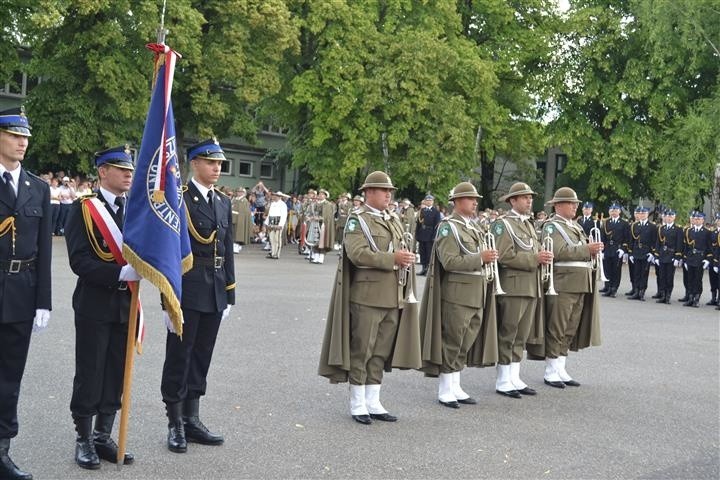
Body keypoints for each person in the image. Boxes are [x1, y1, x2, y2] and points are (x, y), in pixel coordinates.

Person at [318, 171, 420, 425]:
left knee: (380, 352)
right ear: (369, 193)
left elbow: (402, 246)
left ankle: (373, 400)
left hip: (392, 294)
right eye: (384, 191)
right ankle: (357, 402)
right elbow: (357, 254)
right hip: (367, 295)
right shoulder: (358, 220)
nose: (389, 195)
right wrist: (392, 259)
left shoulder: (394, 219)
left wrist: (404, 258)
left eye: (390, 191)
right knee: (362, 349)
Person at [64, 146, 139, 469]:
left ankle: (103, 435)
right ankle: (84, 438)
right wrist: (119, 272)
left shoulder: (134, 210)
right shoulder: (83, 209)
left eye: (130, 169)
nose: (127, 174)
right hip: (95, 303)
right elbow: (79, 260)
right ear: (102, 172)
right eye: (119, 168)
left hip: (127, 304)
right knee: (91, 371)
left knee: (116, 371)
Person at [161, 138, 235, 453]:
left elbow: (227, 249)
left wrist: (230, 291)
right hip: (187, 288)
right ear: (194, 163)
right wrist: (167, 299)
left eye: (219, 163)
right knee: (180, 355)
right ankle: (175, 422)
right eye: (210, 162)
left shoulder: (223, 201)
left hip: (215, 287)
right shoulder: (178, 199)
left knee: (201, 355)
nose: (217, 168)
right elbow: (167, 253)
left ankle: (192, 418)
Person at [0, 107, 52, 480]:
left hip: (21, 293)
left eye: (26, 137)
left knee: (9, 379)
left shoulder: (38, 187)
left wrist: (43, 301)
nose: (22, 142)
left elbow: (44, 251)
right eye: (15, 135)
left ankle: (2, 451)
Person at [418, 182, 498, 408]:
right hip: (457, 293)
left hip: (476, 290)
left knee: (466, 341)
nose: (475, 202)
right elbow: (449, 261)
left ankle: (455, 384)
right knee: (452, 340)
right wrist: (480, 258)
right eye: (471, 198)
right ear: (457, 201)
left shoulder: (473, 227)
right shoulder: (448, 227)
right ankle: (445, 388)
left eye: (476, 199)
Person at [537, 187, 602, 389]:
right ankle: (550, 370)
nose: (575, 206)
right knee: (557, 326)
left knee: (570, 327)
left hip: (580, 282)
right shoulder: (552, 227)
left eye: (576, 203)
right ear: (558, 205)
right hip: (563, 283)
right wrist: (586, 249)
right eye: (570, 203)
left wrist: (592, 252)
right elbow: (558, 251)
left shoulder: (576, 227)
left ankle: (560, 367)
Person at [493, 183, 553, 398]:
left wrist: (542, 257)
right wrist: (534, 259)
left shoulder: (527, 224)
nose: (529, 201)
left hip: (529, 285)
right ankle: (502, 379)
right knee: (508, 332)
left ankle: (514, 376)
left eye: (530, 197)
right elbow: (503, 255)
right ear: (512, 201)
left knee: (521, 334)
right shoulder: (503, 224)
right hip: (513, 285)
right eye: (524, 197)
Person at [650, 209, 683, 304]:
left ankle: (668, 295)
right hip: (662, 255)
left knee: (669, 277)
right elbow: (658, 243)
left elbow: (679, 244)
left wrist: (677, 257)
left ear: (674, 217)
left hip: (671, 256)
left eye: (671, 216)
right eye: (667, 216)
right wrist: (656, 256)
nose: (668, 218)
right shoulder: (662, 228)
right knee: (662, 276)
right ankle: (663, 295)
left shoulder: (678, 229)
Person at [681, 211, 712, 307]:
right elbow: (686, 247)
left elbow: (709, 247)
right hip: (690, 258)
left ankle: (697, 298)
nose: (697, 220)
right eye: (695, 219)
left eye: (699, 219)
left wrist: (707, 259)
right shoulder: (689, 231)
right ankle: (690, 297)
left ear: (703, 220)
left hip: (700, 258)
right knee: (690, 279)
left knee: (698, 279)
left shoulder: (707, 232)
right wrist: (685, 259)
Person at [626, 206, 657, 301]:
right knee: (636, 273)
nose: (642, 215)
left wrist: (652, 253)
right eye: (640, 213)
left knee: (644, 273)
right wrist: (630, 253)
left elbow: (654, 240)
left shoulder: (652, 226)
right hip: (636, 252)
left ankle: (642, 291)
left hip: (646, 252)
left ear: (647, 215)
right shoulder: (634, 225)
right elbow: (631, 240)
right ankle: (636, 291)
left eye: (644, 214)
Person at [600, 202, 629, 297]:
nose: (613, 212)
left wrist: (623, 249)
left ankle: (614, 288)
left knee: (616, 270)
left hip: (617, 249)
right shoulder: (606, 222)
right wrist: (602, 250)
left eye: (615, 210)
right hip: (608, 249)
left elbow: (626, 238)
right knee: (607, 269)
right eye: (612, 211)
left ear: (619, 211)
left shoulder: (624, 223)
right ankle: (608, 287)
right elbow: (603, 237)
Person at [416, 194, 441, 275]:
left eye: (430, 200)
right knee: (422, 252)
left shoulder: (436, 212)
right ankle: (423, 268)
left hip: (430, 235)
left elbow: (437, 225)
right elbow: (418, 224)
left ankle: (428, 269)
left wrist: (434, 236)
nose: (428, 202)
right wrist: (417, 234)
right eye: (427, 200)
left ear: (433, 202)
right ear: (425, 201)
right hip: (422, 233)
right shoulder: (422, 211)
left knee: (429, 253)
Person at [312, 189, 335, 264]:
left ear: (325, 196)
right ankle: (315, 255)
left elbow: (327, 216)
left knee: (322, 240)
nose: (320, 195)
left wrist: (319, 218)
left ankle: (321, 256)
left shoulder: (327, 204)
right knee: (315, 240)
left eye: (322, 194)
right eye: (319, 194)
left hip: (323, 225)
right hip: (316, 223)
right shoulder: (316, 203)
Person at [264, 191, 289, 259]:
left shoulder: (283, 204)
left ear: (280, 197)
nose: (275, 196)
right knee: (271, 238)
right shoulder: (273, 204)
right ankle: (272, 252)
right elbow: (270, 214)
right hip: (272, 221)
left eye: (277, 195)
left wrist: (281, 225)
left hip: (278, 222)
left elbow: (284, 215)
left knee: (277, 239)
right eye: (275, 195)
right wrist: (266, 223)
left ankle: (277, 254)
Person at [231, 187, 252, 252]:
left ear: (243, 193)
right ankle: (235, 245)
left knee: (238, 233)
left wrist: (240, 218)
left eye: (241, 192)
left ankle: (237, 245)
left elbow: (245, 212)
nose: (239, 193)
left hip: (240, 219)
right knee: (233, 232)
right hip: (233, 216)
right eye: (238, 191)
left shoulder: (244, 200)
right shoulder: (234, 199)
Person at [706, 213, 720, 306]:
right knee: (713, 279)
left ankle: (719, 299)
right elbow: (709, 245)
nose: (718, 222)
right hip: (712, 259)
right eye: (718, 220)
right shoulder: (713, 232)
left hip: (719, 259)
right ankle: (713, 298)